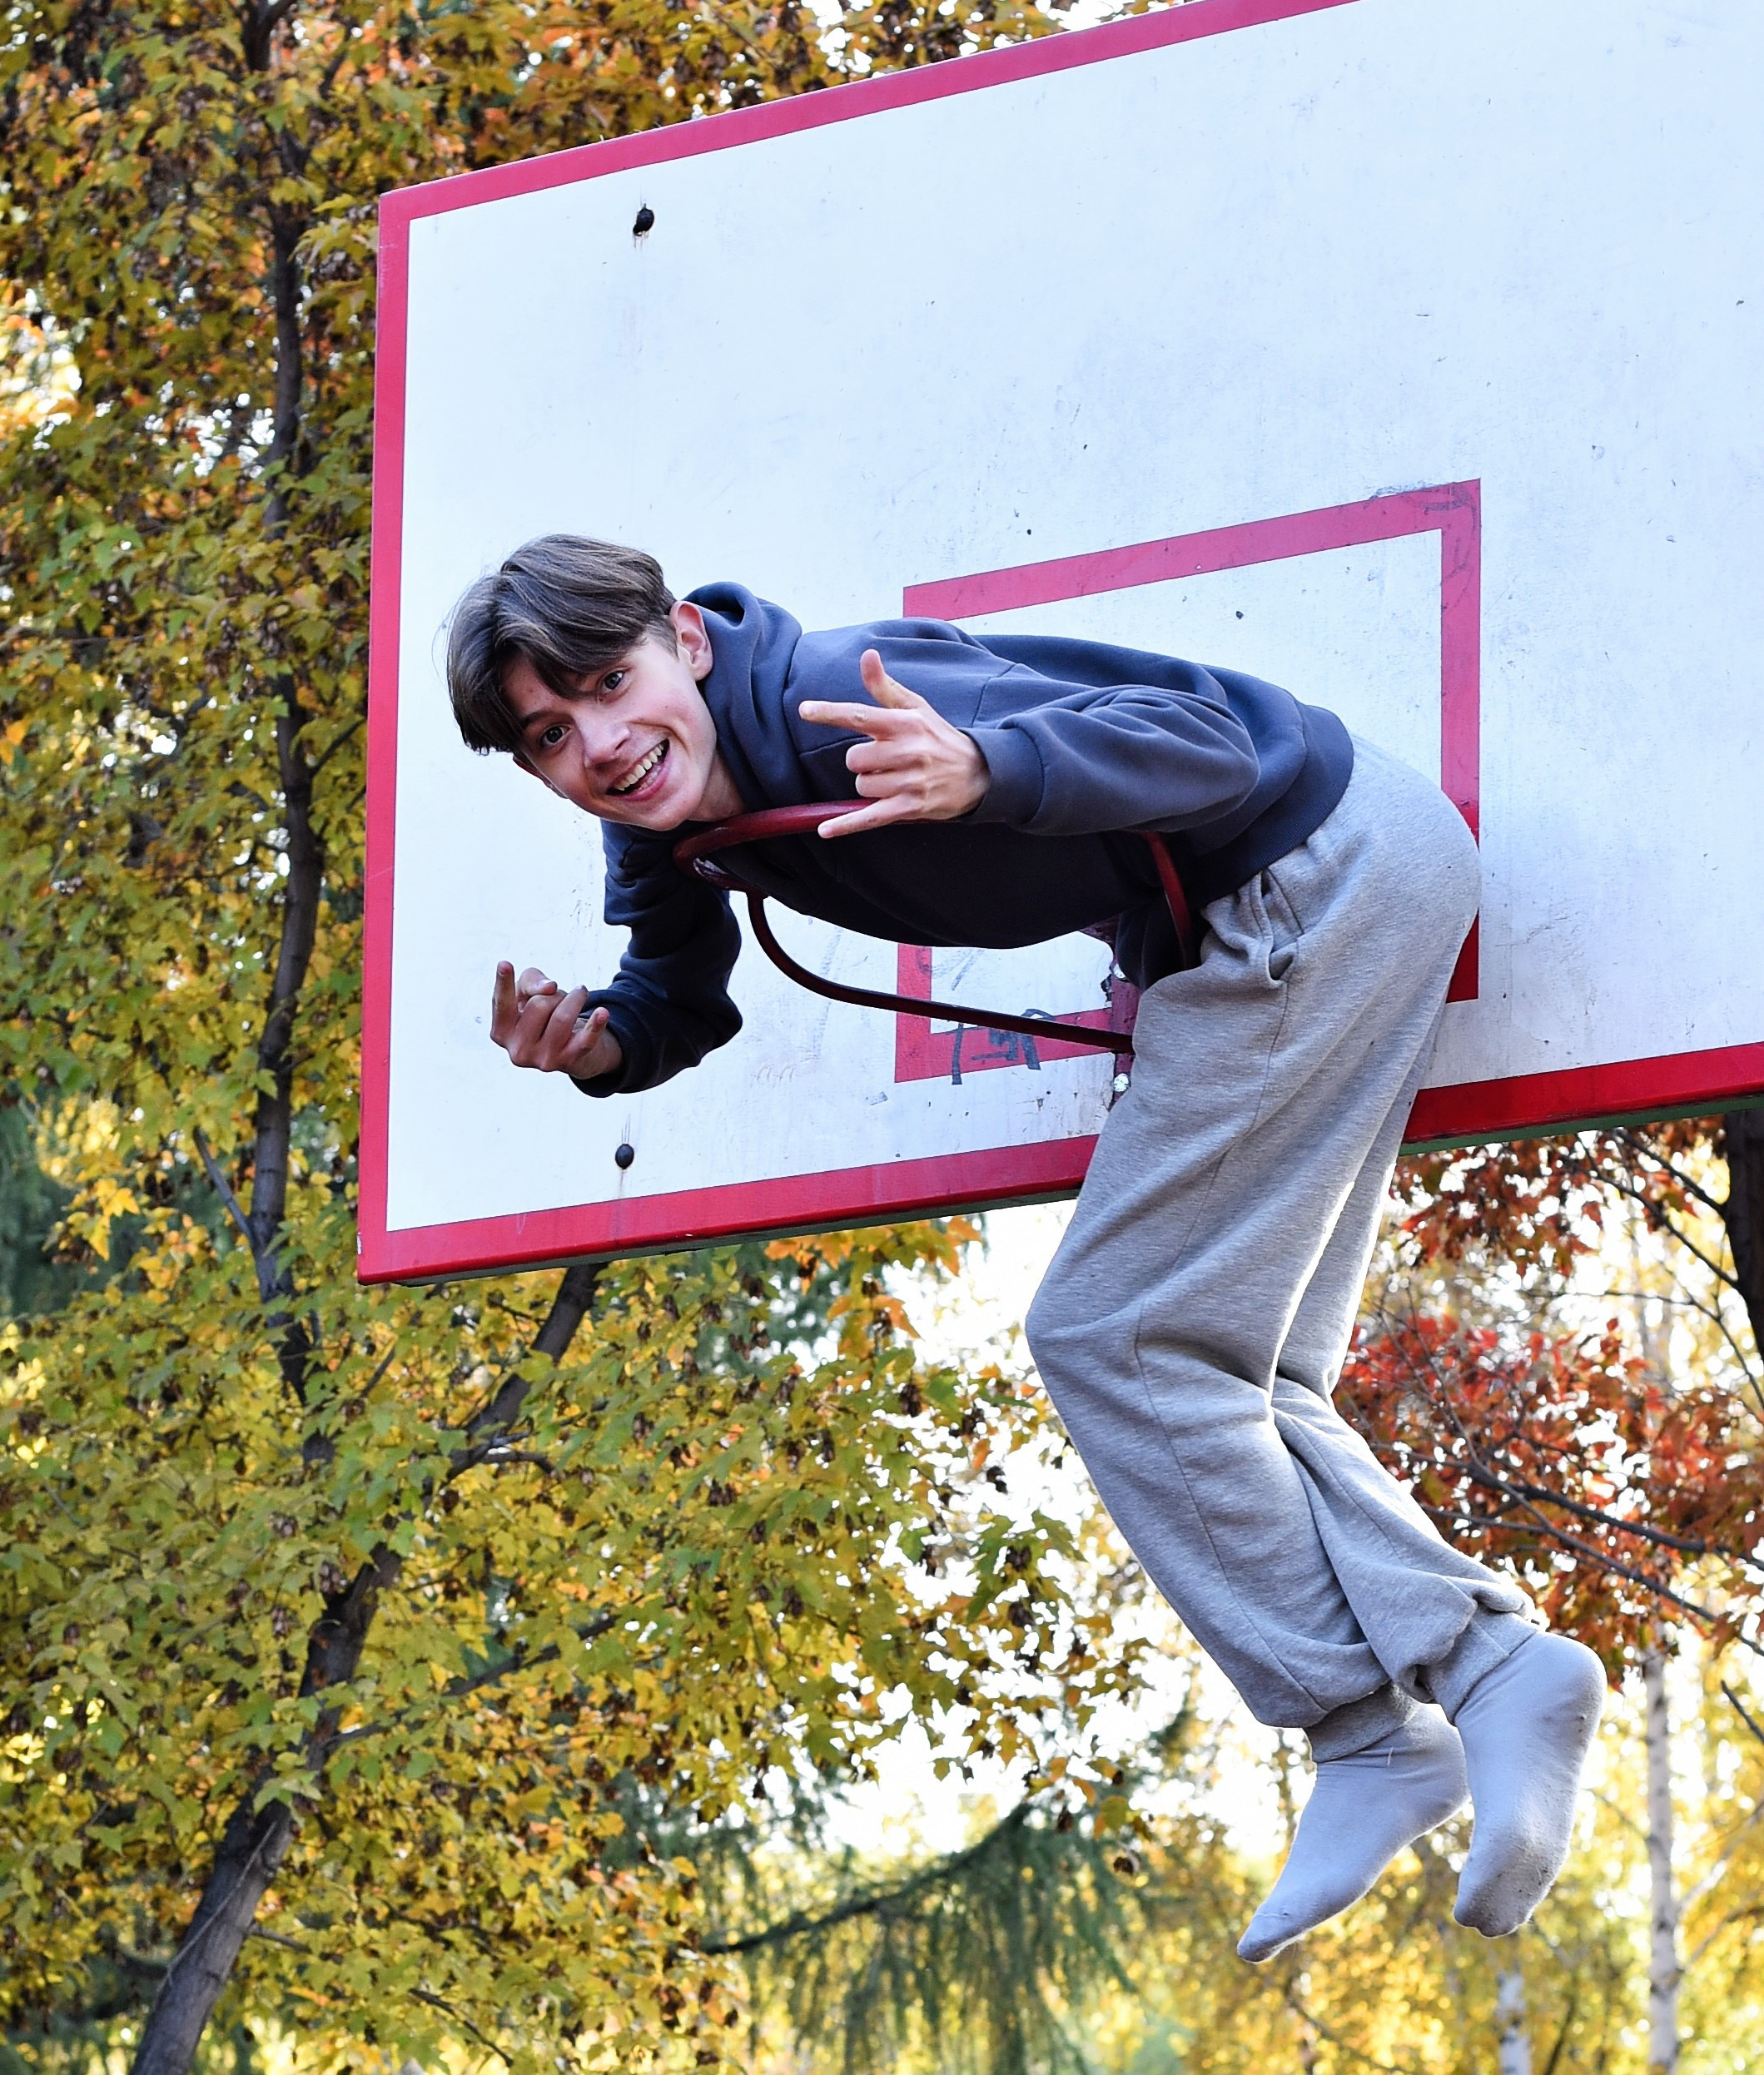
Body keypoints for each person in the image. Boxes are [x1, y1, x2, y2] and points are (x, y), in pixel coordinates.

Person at [445, 534, 1606, 1958]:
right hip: (1292, 907)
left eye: (612, 683)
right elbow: (671, 984)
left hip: (1312, 873)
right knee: (1235, 1376)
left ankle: (1414, 1702)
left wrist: (993, 769)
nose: (604, 745)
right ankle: (1429, 1710)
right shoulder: (659, 818)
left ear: (685, 638)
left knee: (1113, 1333)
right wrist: (598, 1045)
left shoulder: (835, 692)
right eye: (551, 735)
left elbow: (1207, 741)